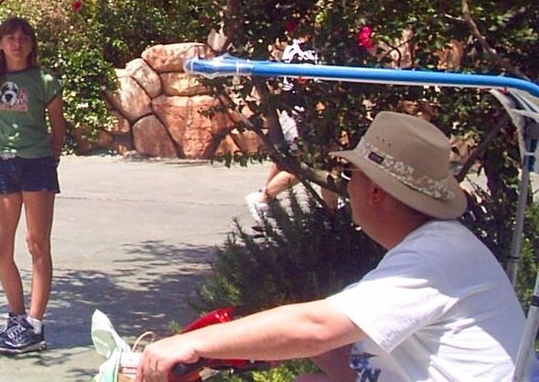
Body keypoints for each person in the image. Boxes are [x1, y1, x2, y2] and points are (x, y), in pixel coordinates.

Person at [138, 111, 531, 382]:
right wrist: (239, 338)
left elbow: (317, 327)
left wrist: (190, 342)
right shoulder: (435, 248)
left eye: (349, 173)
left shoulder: (435, 257)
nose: (345, 184)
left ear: (376, 191)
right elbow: (350, 359)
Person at [0, 16, 65, 356]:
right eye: (10, 38)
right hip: (4, 166)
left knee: (36, 244)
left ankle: (35, 325)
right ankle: (16, 318)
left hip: (37, 166)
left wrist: (49, 156)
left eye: (24, 38)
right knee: (0, 248)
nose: (17, 43)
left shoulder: (44, 81)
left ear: (32, 45)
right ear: (0, 44)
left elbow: (58, 127)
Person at [246, 34, 325, 229]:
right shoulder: (304, 50)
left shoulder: (300, 46)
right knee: (306, 165)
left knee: (299, 160)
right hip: (302, 115)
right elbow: (308, 84)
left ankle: (331, 211)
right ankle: (263, 198)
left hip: (297, 114)